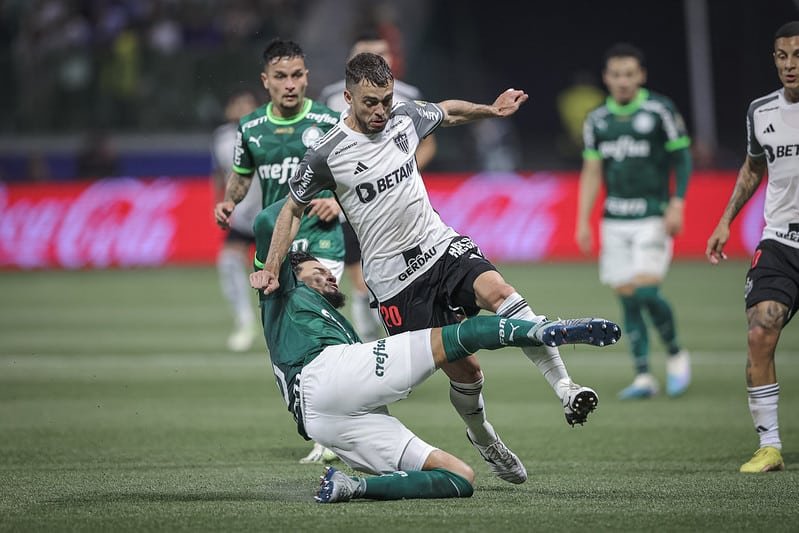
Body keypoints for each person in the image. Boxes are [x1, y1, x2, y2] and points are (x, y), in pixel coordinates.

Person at [260, 52, 611, 486]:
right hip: (396, 284)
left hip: (439, 246)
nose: (380, 111)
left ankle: (566, 388)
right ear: (348, 98)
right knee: (467, 372)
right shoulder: (328, 154)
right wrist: (273, 266)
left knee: (499, 291)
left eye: (386, 100)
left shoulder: (404, 119)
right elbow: (290, 209)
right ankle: (483, 437)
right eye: (370, 102)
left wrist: (491, 109)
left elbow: (447, 112)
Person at [249, 199, 621, 502]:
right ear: (290, 268)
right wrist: (307, 195)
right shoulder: (280, 288)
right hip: (325, 374)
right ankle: (544, 329)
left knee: (460, 478)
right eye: (320, 269)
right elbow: (267, 220)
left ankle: (352, 487)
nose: (332, 274)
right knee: (462, 334)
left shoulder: (327, 318)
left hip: (325, 420)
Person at [213, 38, 344, 465]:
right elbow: (241, 176)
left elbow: (353, 176)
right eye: (282, 77)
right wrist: (230, 201)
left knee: (317, 331)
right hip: (275, 244)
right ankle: (321, 421)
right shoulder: (250, 128)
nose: (291, 84)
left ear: (307, 77)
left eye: (298, 75)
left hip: (322, 235)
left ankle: (334, 432)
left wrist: (337, 200)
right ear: (265, 81)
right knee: (286, 347)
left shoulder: (328, 121)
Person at [706, 21, 799, 474]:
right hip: (780, 241)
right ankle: (770, 446)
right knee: (761, 331)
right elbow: (752, 169)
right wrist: (726, 220)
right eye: (782, 56)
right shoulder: (760, 111)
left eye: (797, 54)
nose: (790, 64)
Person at [575, 43, 692, 400]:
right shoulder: (597, 120)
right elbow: (592, 171)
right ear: (606, 78)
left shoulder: (660, 110)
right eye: (616, 74)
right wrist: (583, 221)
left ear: (641, 75)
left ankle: (674, 353)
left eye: (629, 74)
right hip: (615, 221)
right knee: (626, 299)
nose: (623, 81)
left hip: (652, 217)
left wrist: (678, 203)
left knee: (645, 289)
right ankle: (643, 375)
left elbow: (682, 158)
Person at [318, 30, 437, 342]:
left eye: (382, 54)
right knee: (362, 279)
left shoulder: (408, 94)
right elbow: (322, 153)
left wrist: (397, 167)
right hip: (351, 202)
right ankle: (373, 343)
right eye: (367, 54)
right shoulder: (330, 96)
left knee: (401, 277)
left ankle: (386, 341)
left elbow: (428, 146)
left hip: (396, 199)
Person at [211, 90, 261, 352]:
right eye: (237, 104)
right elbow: (219, 174)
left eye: (247, 104)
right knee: (229, 261)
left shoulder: (264, 129)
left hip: (269, 214)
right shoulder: (221, 138)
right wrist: (217, 203)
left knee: (285, 271)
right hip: (241, 217)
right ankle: (244, 321)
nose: (242, 109)